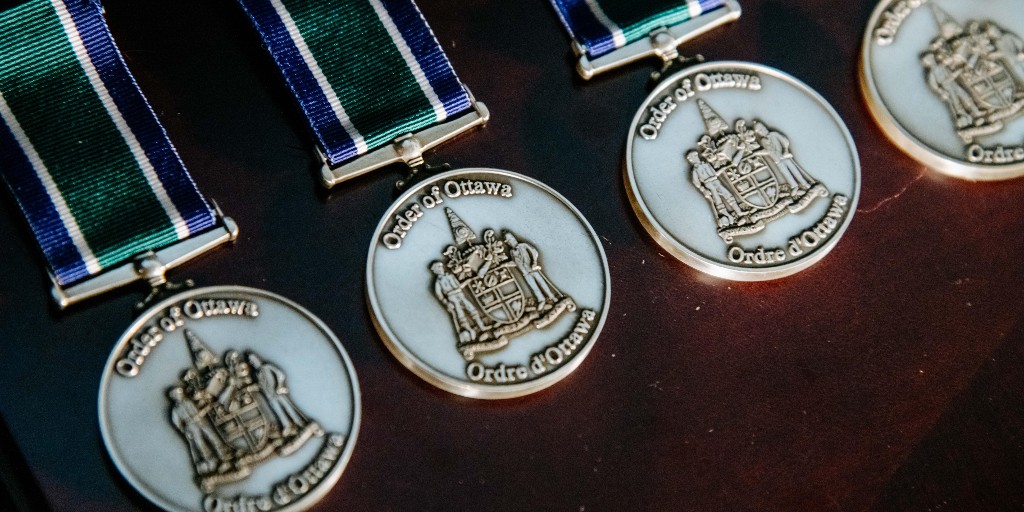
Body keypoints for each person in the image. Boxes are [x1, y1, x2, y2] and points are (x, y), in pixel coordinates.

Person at [169, 387, 230, 474]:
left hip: (202, 422)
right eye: (179, 394)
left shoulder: (189, 401)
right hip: (191, 427)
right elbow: (177, 424)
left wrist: (204, 408)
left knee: (214, 438)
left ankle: (224, 456)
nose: (181, 395)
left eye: (181, 393)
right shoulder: (176, 410)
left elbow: (200, 406)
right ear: (175, 396)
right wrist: (185, 432)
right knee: (200, 444)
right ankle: (211, 462)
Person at [248, 353, 307, 437]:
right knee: (279, 412)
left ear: (257, 359)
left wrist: (279, 386)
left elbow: (280, 375)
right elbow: (261, 386)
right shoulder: (258, 374)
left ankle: (299, 422)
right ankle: (286, 426)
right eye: (250, 361)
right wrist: (252, 388)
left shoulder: (268, 367)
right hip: (270, 397)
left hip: (278, 393)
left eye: (252, 360)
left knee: (288, 408)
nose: (252, 362)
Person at [687, 150, 743, 227]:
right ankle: (728, 217)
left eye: (696, 156)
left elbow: (715, 173)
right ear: (692, 160)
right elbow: (696, 183)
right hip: (709, 185)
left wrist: (724, 167)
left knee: (728, 195)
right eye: (693, 158)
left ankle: (739, 212)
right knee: (718, 202)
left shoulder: (706, 164)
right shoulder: (695, 170)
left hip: (716, 181)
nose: (695, 158)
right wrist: (704, 190)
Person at [753, 122, 813, 192]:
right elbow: (768, 151)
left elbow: (785, 141)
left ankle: (804, 183)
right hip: (777, 161)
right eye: (760, 131)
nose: (762, 131)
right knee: (786, 173)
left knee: (794, 170)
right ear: (759, 133)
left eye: (762, 128)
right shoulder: (763, 141)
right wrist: (758, 153)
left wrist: (786, 150)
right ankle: (794, 186)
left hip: (784, 156)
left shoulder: (774, 134)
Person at [431, 261, 487, 337]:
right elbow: (439, 295)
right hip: (452, 298)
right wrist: (447, 303)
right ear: (435, 271)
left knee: (472, 309)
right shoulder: (438, 282)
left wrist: (467, 281)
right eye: (438, 267)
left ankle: (482, 327)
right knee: (461, 316)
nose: (440, 268)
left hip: (460, 295)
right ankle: (470, 333)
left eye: (440, 266)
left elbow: (458, 285)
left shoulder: (450, 276)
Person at [504, 233, 558, 309]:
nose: (511, 241)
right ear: (507, 243)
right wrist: (506, 264)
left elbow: (534, 252)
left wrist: (534, 262)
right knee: (534, 287)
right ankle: (541, 300)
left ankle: (552, 297)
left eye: (512, 239)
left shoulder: (523, 245)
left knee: (542, 283)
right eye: (509, 241)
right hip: (525, 273)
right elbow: (515, 263)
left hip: (532, 269)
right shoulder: (512, 252)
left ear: (514, 238)